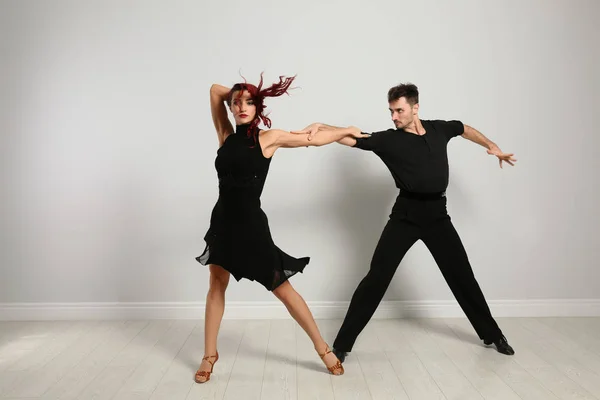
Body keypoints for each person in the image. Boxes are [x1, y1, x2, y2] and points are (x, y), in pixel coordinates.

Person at [296, 82, 517, 362]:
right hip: (406, 216)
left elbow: (463, 127)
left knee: (462, 276)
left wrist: (491, 145)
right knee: (376, 278)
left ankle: (493, 334)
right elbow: (353, 137)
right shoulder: (389, 139)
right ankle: (342, 344)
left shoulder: (439, 129)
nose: (394, 117)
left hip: (438, 216)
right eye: (391, 111)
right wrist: (322, 126)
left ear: (415, 108)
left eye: (399, 110)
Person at [193, 74, 366, 383]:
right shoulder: (225, 135)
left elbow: (313, 140)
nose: (241, 107)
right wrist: (239, 91)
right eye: (236, 103)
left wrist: (345, 130)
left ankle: (323, 348)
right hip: (222, 223)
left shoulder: (268, 138)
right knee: (216, 284)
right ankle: (209, 355)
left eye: (248, 102)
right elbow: (214, 90)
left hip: (252, 227)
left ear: (258, 107)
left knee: (282, 289)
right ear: (230, 108)